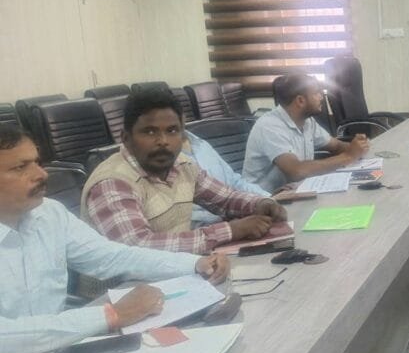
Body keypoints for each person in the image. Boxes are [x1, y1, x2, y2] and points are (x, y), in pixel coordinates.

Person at [0, 123, 230, 353]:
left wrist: (195, 264)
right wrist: (111, 315)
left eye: (37, 162)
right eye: (20, 167)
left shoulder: (49, 213)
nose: (41, 174)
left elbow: (112, 257)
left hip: (53, 352)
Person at [83, 89, 287, 253]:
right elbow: (137, 248)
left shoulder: (181, 165)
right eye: (150, 131)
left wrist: (260, 203)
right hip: (124, 289)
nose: (163, 141)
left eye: (172, 131)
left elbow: (225, 199)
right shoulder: (112, 182)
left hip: (175, 274)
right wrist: (230, 230)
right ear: (126, 138)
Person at [243, 73, 371, 192]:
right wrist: (348, 156)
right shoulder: (270, 126)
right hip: (263, 200)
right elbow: (296, 171)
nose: (321, 97)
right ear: (300, 101)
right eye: (316, 93)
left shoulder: (307, 121)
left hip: (294, 191)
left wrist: (357, 147)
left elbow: (336, 146)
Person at [183, 131, 271, 227]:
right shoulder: (175, 162)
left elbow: (229, 192)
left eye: (173, 130)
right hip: (204, 230)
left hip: (230, 222)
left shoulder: (200, 144)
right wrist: (232, 228)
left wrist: (265, 200)